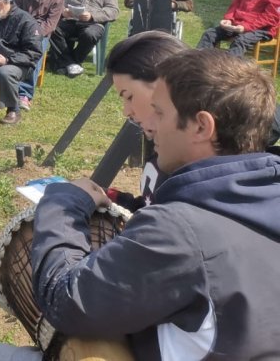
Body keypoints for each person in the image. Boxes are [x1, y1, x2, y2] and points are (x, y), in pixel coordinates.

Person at [31, 49, 280, 359]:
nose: (151, 124)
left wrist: (63, 201)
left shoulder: (180, 230)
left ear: (201, 126)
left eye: (160, 113)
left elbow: (65, 301)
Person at [104, 30, 188, 211]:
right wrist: (115, 198)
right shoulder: (161, 146)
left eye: (129, 96)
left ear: (163, 87)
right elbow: (150, 205)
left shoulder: (190, 158)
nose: (127, 111)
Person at [48, 0, 119, 77]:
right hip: (72, 21)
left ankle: (71, 62)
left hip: (94, 24)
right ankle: (70, 63)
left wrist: (92, 15)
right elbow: (59, 5)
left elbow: (113, 11)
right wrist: (64, 12)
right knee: (53, 29)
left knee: (89, 34)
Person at [13, 0, 64, 110]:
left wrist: (34, 34)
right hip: (20, 31)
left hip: (40, 34)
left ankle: (24, 94)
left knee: (34, 55)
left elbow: (50, 25)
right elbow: (15, 16)